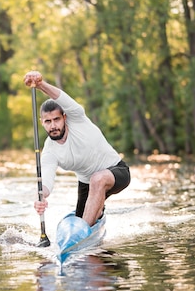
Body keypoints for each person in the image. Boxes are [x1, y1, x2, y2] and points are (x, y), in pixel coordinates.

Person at [23, 70, 131, 231]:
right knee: (91, 195)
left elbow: (61, 98)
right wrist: (40, 197)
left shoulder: (77, 118)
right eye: (47, 121)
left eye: (56, 119)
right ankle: (96, 213)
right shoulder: (50, 151)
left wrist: (40, 85)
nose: (53, 126)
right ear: (42, 122)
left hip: (117, 171)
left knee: (98, 179)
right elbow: (46, 180)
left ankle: (83, 231)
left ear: (64, 118)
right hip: (87, 185)